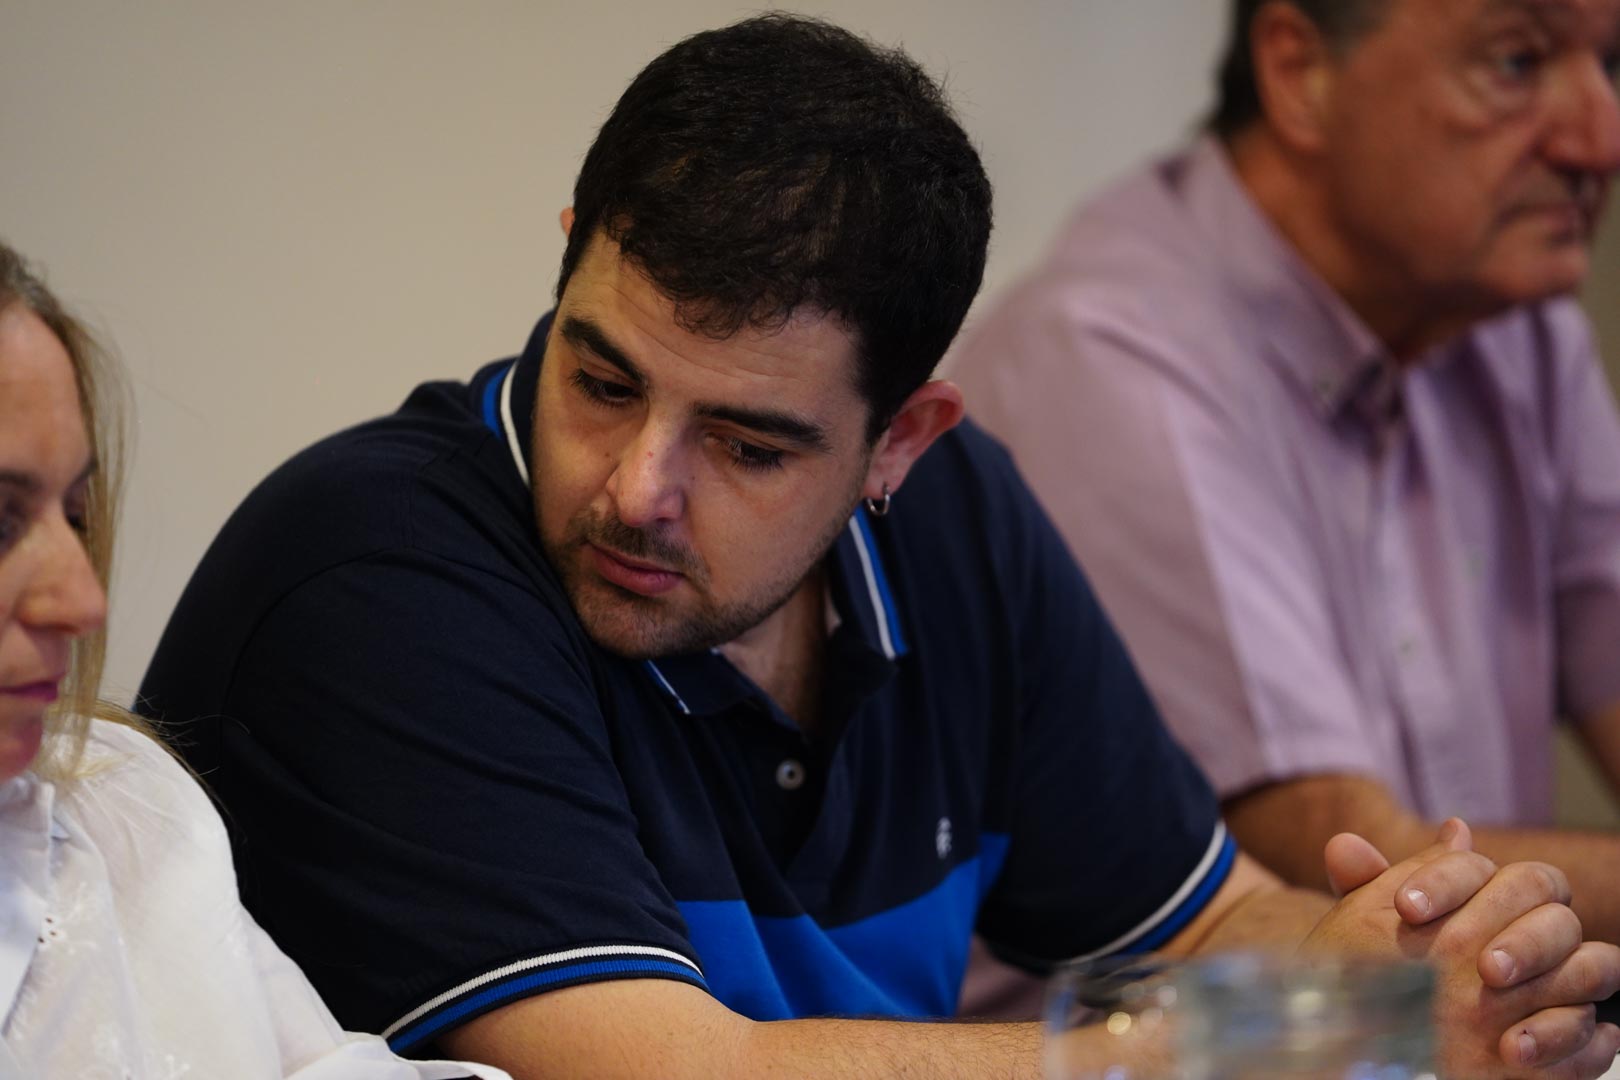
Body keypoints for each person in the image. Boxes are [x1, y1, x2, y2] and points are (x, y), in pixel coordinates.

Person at [137, 14, 1620, 1079]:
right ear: (570, 247)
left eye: (748, 445)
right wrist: (1257, 1045)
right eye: (601, 379)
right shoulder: (375, 575)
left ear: (902, 442)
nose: (638, 489)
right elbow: (682, 1072)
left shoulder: (959, 522)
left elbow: (1215, 921)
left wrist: (1425, 969)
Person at [951, 0, 1620, 943]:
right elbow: (1367, 880)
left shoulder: (1517, 323)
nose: (1599, 140)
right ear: (1301, 72)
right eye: (1517, 63)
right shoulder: (1113, 357)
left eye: (1612, 66)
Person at [0, 242, 511, 1079]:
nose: (83, 602)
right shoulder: (375, 550)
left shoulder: (123, 797)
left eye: (77, 516)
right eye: (0, 524)